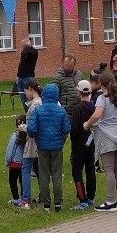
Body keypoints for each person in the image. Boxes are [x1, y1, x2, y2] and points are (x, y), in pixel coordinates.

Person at [27, 82, 71, 212]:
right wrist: (62, 139)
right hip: (57, 146)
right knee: (57, 174)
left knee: (44, 175)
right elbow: (67, 128)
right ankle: (58, 203)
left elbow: (30, 127)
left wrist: (36, 136)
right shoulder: (61, 110)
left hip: (42, 146)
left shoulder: (38, 110)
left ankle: (46, 203)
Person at [85, 82, 117, 211]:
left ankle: (110, 201)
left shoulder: (102, 98)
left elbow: (98, 114)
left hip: (106, 135)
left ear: (101, 85)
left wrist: (87, 123)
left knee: (108, 169)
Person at [70, 79, 98, 209]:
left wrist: (73, 141)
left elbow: (74, 129)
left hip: (79, 144)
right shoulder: (94, 107)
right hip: (92, 143)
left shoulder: (78, 109)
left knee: (77, 171)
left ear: (78, 92)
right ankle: (91, 196)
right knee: (90, 169)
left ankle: (83, 199)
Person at [18, 79, 41, 207]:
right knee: (38, 169)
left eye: (25, 91)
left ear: (30, 89)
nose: (25, 94)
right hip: (40, 142)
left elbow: (33, 127)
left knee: (26, 168)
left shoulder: (34, 106)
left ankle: (25, 199)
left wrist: (22, 127)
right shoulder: (41, 102)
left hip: (32, 142)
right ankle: (43, 195)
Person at [4, 120, 25, 205]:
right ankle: (24, 198)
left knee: (13, 181)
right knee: (22, 181)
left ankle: (16, 198)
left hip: (14, 163)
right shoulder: (28, 135)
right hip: (24, 162)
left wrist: (7, 161)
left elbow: (10, 149)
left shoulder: (14, 136)